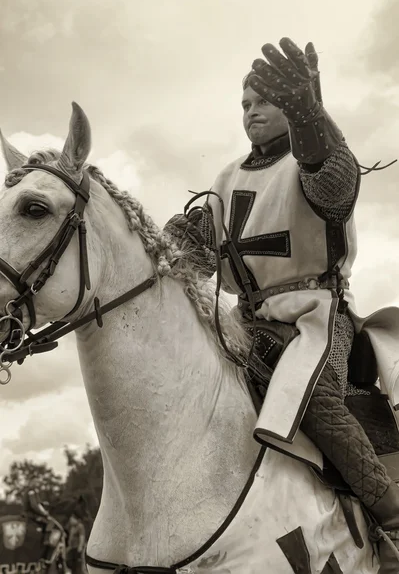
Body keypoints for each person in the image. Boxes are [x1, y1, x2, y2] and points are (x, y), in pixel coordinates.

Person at [165, 37, 399, 572]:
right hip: (245, 322)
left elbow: (336, 188)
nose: (250, 113)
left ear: (291, 106)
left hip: (317, 317)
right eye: (244, 105)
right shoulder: (224, 180)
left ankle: (390, 512)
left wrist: (311, 116)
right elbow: (186, 258)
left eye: (263, 102)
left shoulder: (313, 160)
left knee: (310, 397)